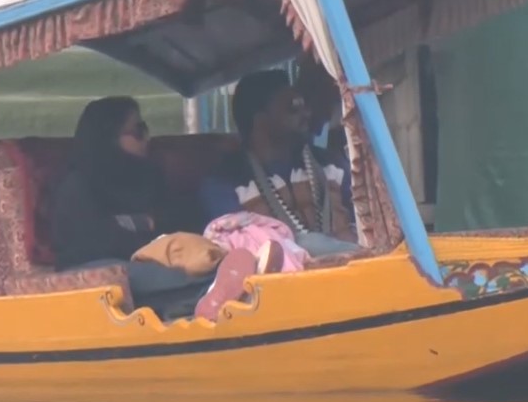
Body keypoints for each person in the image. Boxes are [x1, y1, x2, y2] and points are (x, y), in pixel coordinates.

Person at [199, 69, 359, 257]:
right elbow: (237, 246)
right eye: (293, 106)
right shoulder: (224, 185)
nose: (307, 113)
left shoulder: (332, 165)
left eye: (304, 104)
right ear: (260, 120)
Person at [50, 97, 177, 269]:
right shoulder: (77, 186)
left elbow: (175, 221)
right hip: (94, 268)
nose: (146, 138)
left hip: (153, 262)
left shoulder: (149, 176)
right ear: (108, 137)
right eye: (138, 131)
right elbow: (98, 241)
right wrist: (146, 224)